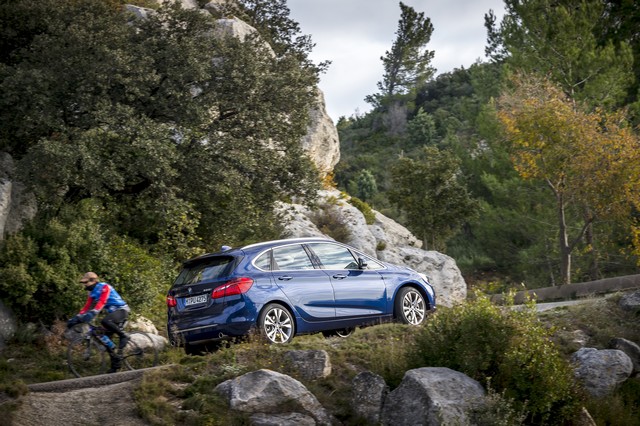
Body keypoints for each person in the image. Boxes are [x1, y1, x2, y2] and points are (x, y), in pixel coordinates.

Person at [70, 272, 131, 373]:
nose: (84, 285)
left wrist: (93, 312)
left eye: (86, 282)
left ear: (93, 281)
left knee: (105, 321)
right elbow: (86, 307)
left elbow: (102, 301)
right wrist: (76, 318)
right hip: (113, 314)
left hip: (122, 310)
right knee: (106, 340)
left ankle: (123, 335)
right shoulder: (92, 293)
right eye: (83, 283)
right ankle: (115, 366)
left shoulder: (104, 287)